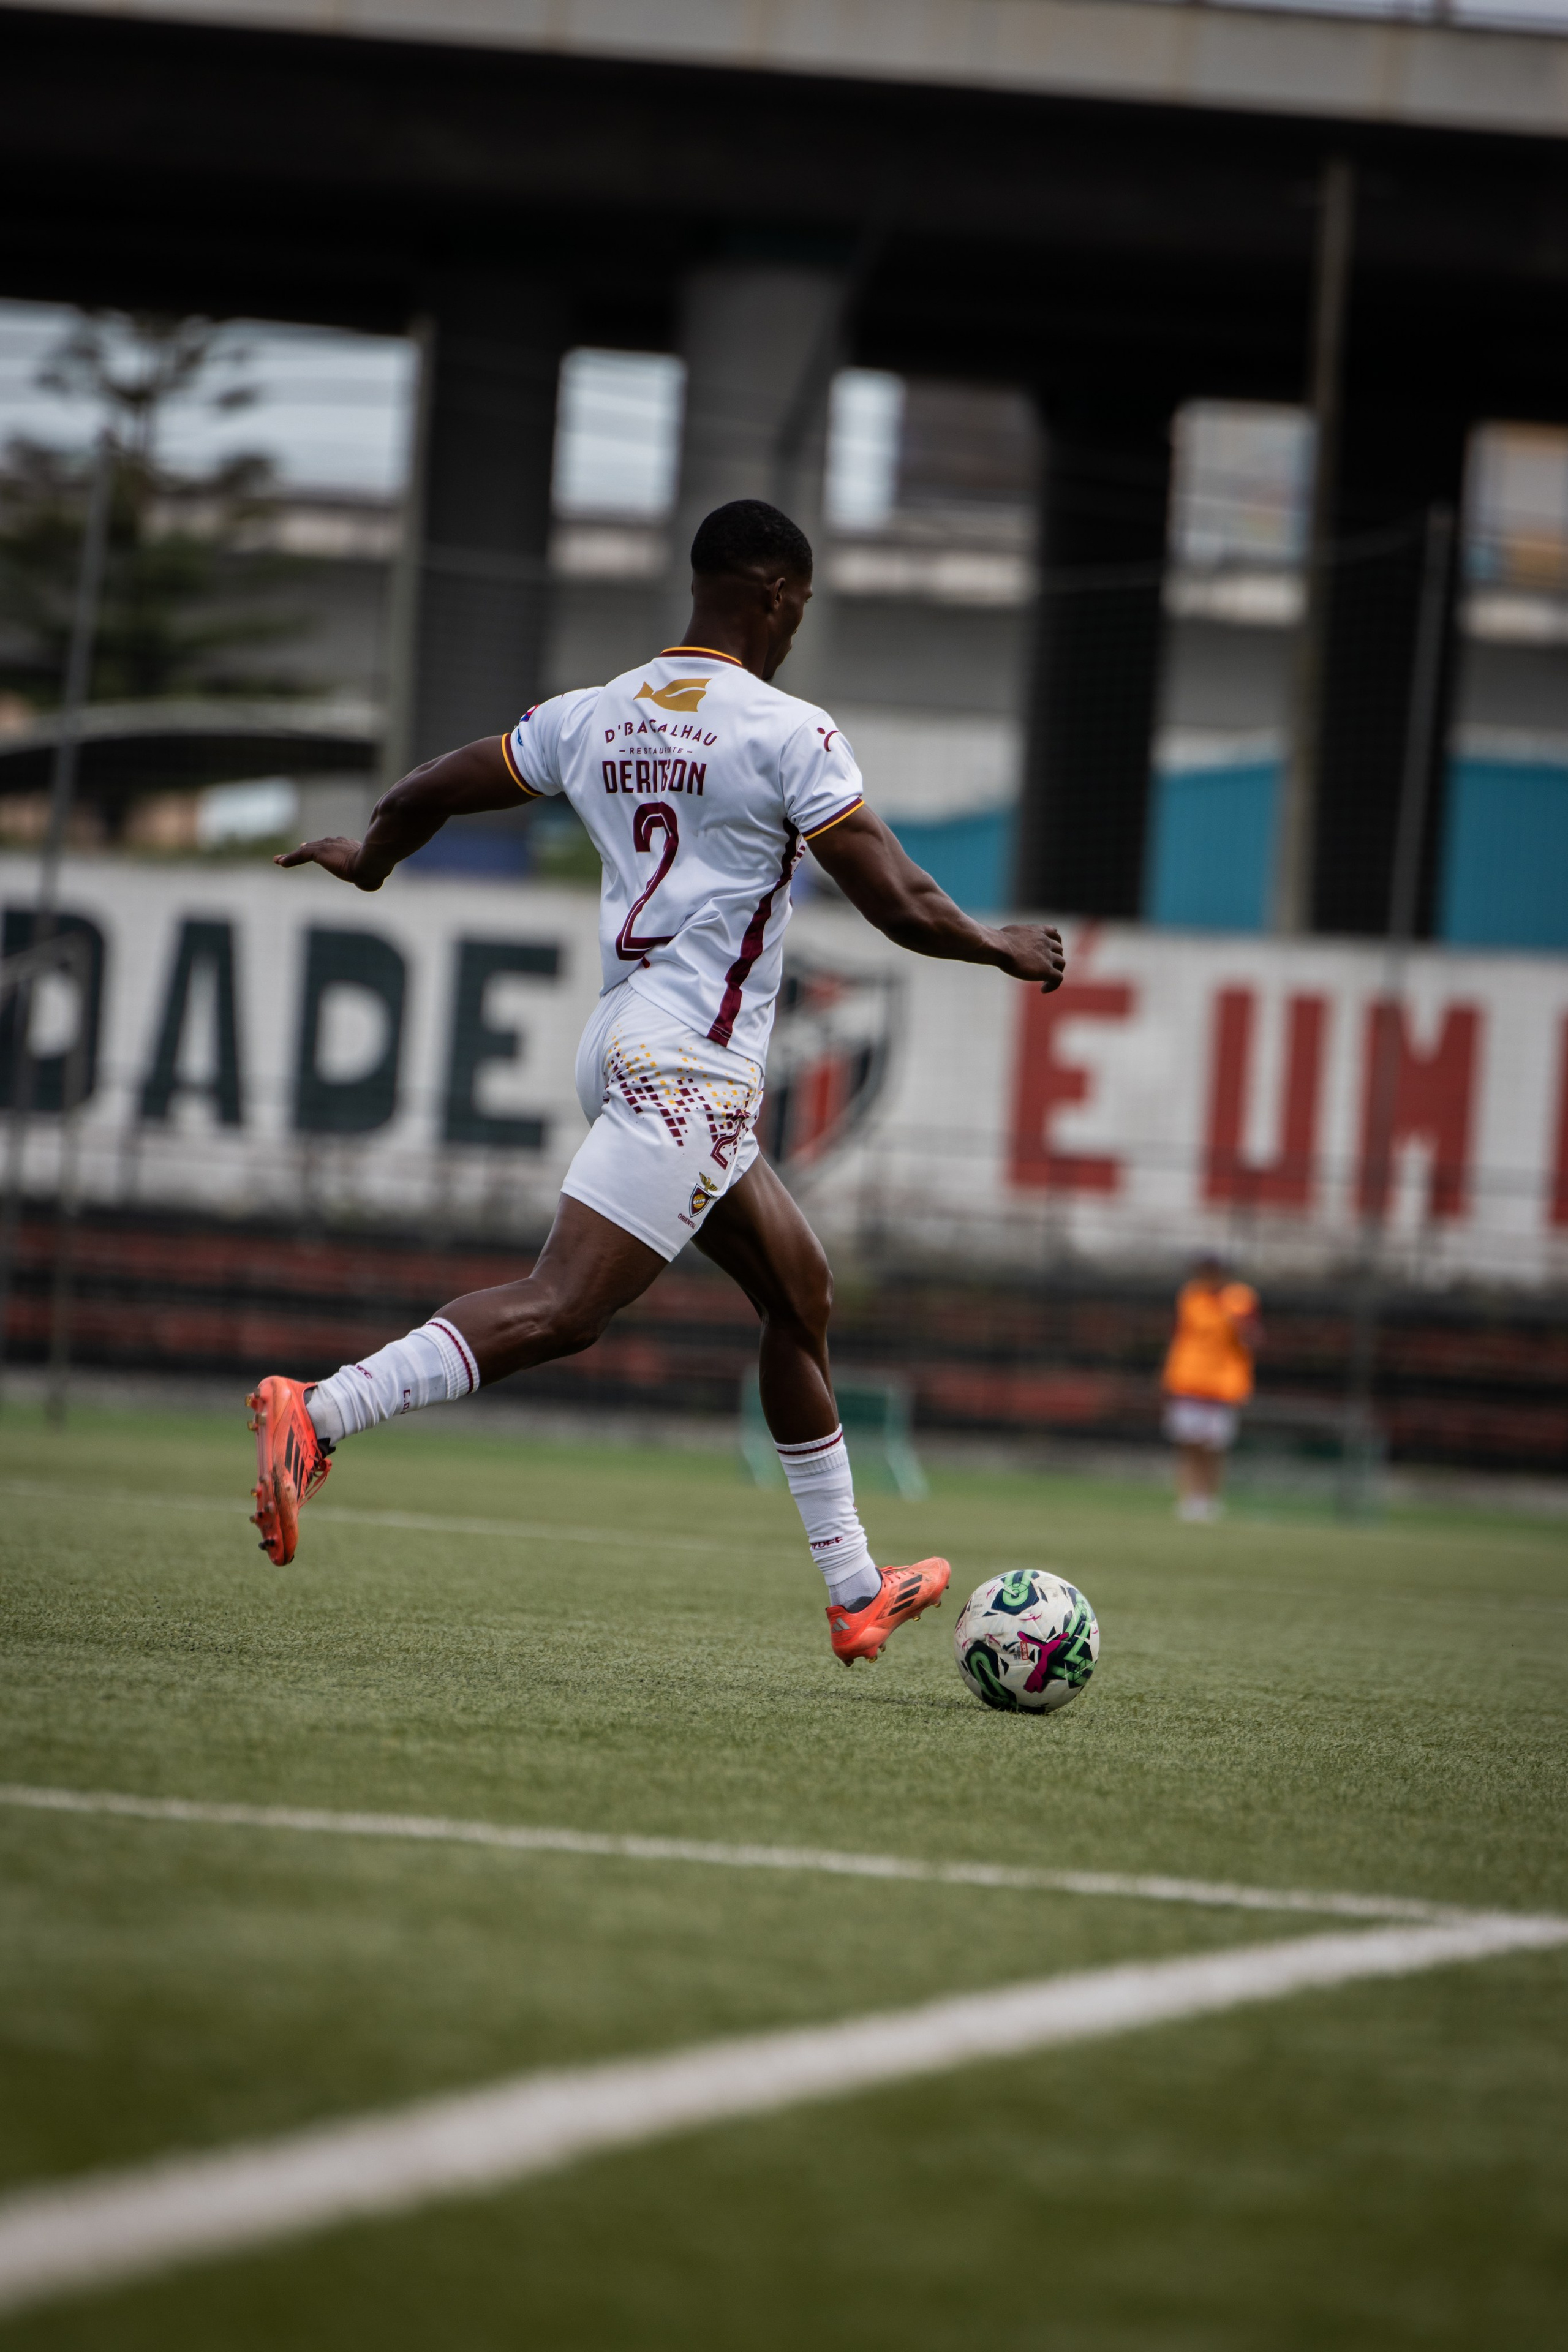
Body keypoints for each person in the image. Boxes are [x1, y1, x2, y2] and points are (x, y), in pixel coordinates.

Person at [247, 498, 1066, 1664]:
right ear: (775, 596)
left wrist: (373, 859)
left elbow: (433, 782)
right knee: (565, 1308)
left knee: (800, 1296)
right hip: (692, 1066)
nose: (797, 626)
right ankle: (321, 1412)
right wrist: (998, 945)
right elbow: (898, 900)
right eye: (801, 607)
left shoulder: (596, 713)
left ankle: (855, 1590)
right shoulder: (789, 732)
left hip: (626, 1039)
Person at [1160, 1256, 1262, 1523]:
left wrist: (1238, 1323)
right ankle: (1188, 1500)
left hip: (1222, 1386)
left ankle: (1209, 1500)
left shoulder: (1240, 1298)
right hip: (1189, 1380)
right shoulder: (1190, 1295)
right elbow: (1180, 1337)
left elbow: (1252, 1339)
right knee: (1188, 1442)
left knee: (1214, 1446)